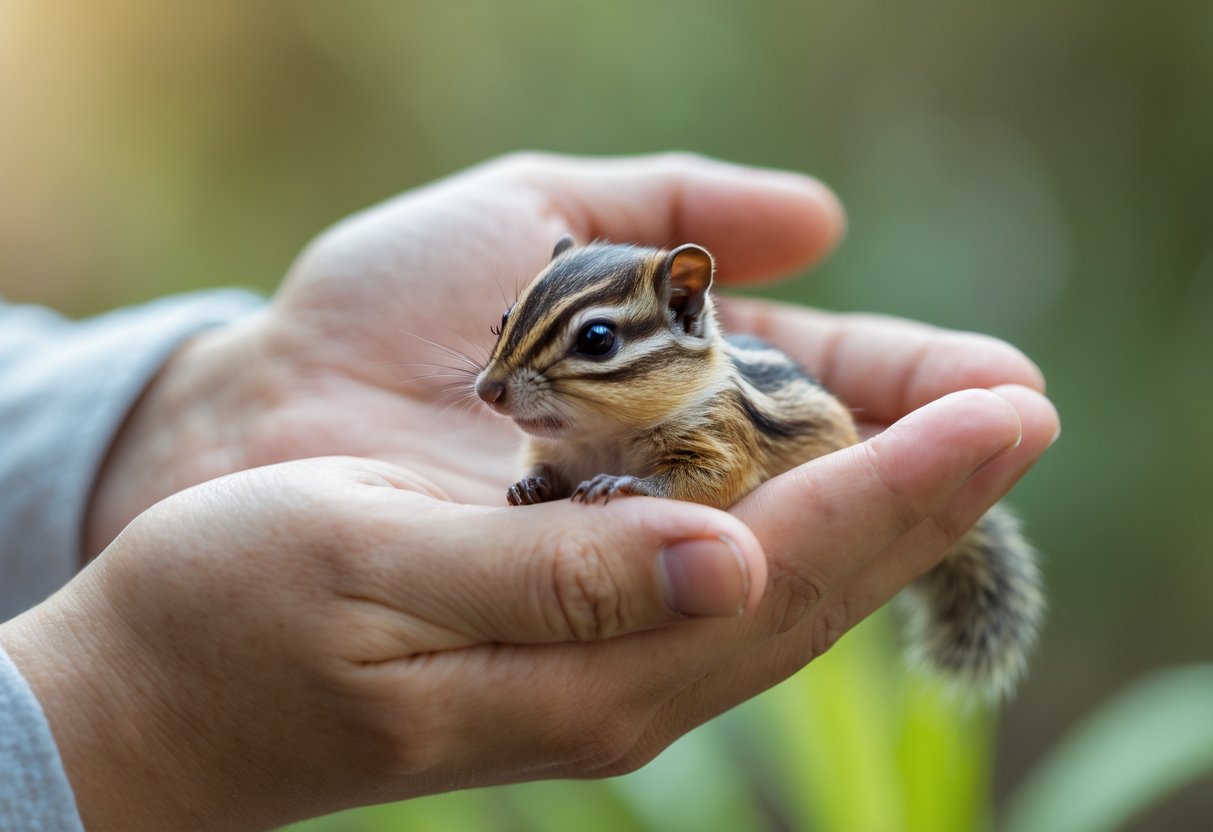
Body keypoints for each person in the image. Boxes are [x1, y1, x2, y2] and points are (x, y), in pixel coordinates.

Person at [0, 153, 1059, 831]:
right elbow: (553, 464)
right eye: (507, 337)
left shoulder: (712, 417)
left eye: (589, 345)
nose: (501, 382)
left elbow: (715, 474)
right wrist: (117, 714)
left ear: (685, 313)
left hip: (779, 442)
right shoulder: (576, 408)